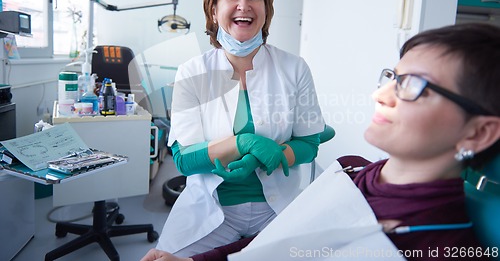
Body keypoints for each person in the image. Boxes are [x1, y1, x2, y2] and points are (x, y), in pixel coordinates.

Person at [141, 22, 500, 261]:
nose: (380, 93)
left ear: (478, 133)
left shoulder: (443, 247)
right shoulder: (353, 172)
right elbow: (283, 243)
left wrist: (292, 146)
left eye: (413, 85)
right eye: (392, 76)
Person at [141, 0, 325, 259]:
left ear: (266, 11)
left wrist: (274, 155)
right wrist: (243, 143)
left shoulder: (294, 68)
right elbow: (185, 159)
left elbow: (309, 143)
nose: (244, 5)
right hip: (211, 212)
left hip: (276, 210)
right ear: (214, 11)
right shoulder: (192, 72)